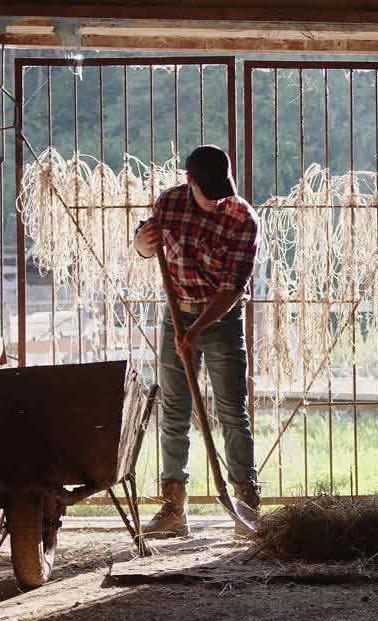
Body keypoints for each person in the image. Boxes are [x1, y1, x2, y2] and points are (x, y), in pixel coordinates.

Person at [134, 145, 262, 537]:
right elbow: (144, 247)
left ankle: (246, 503)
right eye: (208, 190)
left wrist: (196, 330)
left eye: (222, 188)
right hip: (176, 315)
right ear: (189, 181)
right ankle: (174, 508)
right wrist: (143, 241)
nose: (218, 198)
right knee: (173, 410)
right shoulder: (169, 203)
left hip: (220, 320)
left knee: (231, 412)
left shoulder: (243, 219)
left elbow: (231, 290)